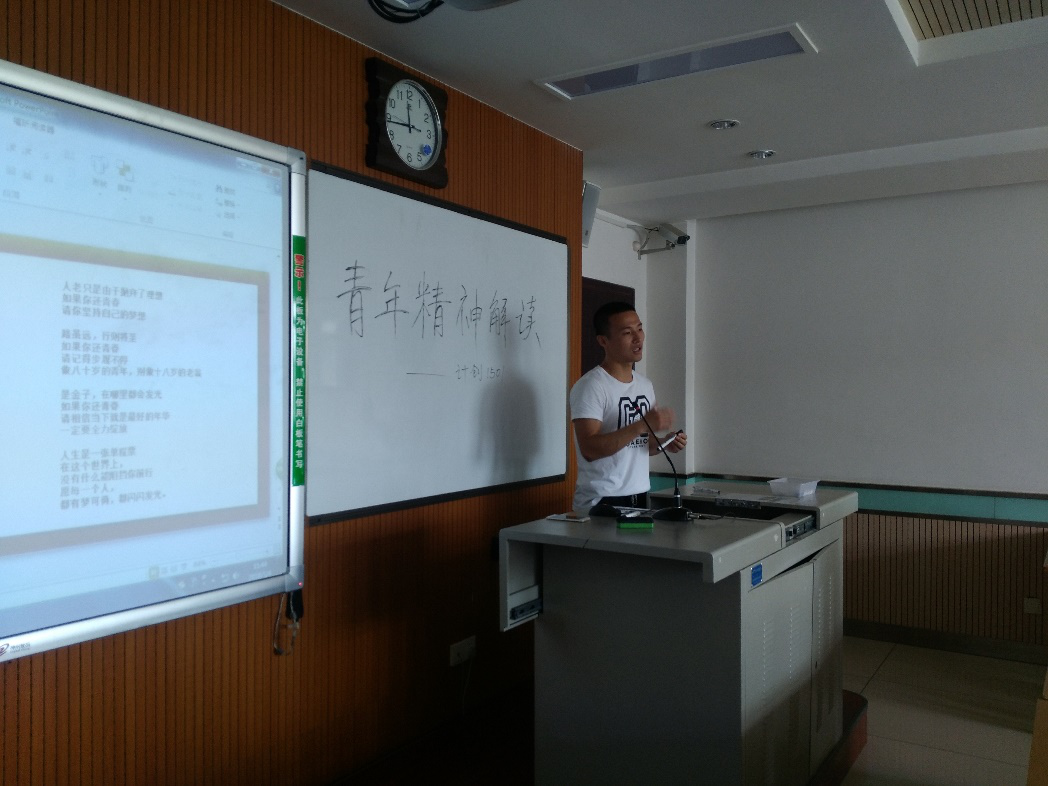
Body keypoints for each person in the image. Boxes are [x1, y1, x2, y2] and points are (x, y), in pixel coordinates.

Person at [570, 301, 687, 512]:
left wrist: (664, 443)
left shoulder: (644, 385)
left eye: (639, 329)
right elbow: (589, 449)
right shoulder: (591, 386)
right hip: (601, 501)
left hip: (639, 495)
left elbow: (642, 443)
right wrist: (641, 424)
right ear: (603, 340)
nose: (638, 338)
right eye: (627, 332)